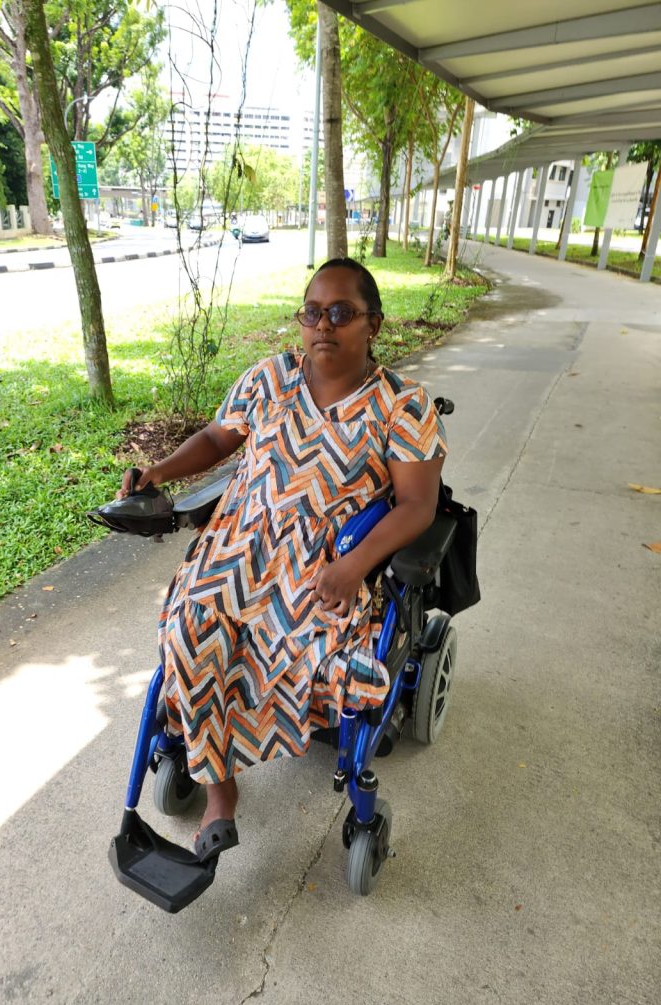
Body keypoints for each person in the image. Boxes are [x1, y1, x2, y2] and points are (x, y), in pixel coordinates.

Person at [118, 257, 447, 861]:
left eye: (342, 312)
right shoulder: (269, 378)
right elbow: (220, 438)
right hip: (238, 546)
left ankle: (245, 737)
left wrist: (352, 568)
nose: (324, 325)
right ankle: (221, 793)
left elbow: (417, 505)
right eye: (312, 312)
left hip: (325, 562)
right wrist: (158, 471)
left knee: (310, 650)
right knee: (191, 625)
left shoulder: (403, 405)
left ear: (372, 324)